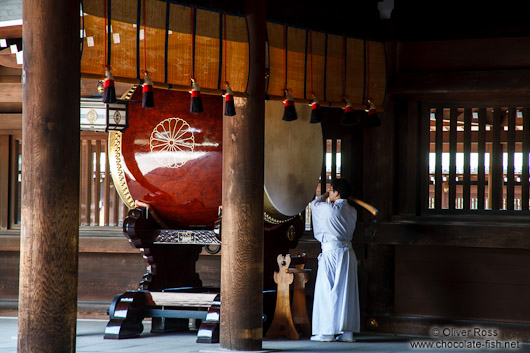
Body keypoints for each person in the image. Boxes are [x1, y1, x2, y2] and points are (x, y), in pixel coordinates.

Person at [309, 178, 360, 342]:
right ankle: (347, 332)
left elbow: (314, 204)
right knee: (346, 292)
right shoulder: (352, 211)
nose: (329, 193)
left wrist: (326, 195)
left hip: (332, 252)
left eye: (331, 190)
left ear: (336, 193)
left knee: (328, 290)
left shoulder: (328, 209)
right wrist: (335, 194)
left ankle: (327, 332)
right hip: (348, 253)